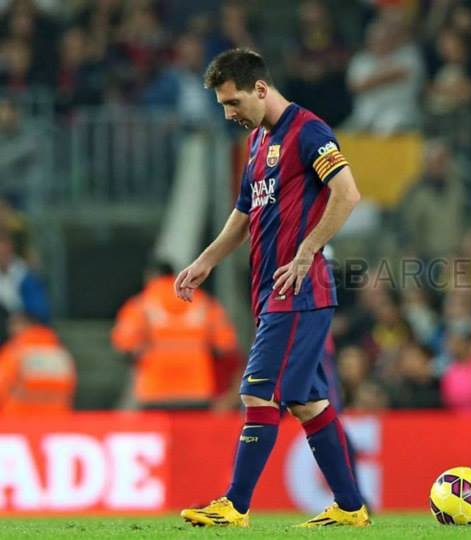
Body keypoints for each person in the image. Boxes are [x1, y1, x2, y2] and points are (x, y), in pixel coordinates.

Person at [175, 48, 368, 528]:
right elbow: (244, 214)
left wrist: (307, 251)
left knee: (258, 394)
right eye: (223, 105)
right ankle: (351, 508)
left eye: (233, 102)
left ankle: (235, 505)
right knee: (307, 403)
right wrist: (205, 261)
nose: (229, 114)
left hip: (298, 289)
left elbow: (348, 194)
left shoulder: (310, 131)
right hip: (270, 291)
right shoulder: (257, 143)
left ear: (260, 89)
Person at [112, 260, 240, 410]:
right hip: (196, 388)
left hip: (154, 389)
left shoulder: (140, 304)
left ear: (150, 277)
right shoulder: (204, 303)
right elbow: (225, 344)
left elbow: (124, 344)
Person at [0, 311, 75, 415]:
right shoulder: (60, 353)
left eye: (14, 324)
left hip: (18, 418)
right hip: (56, 418)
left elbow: (2, 384)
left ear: (26, 324)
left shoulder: (15, 352)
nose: (10, 329)